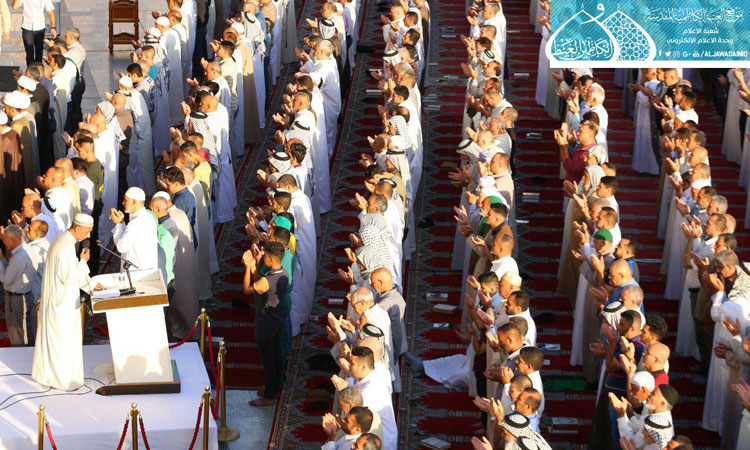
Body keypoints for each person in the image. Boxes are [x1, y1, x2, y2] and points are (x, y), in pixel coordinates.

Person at [32, 214, 100, 391]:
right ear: (77, 228)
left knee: (63, 341)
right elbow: (69, 277)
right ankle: (62, 381)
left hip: (62, 300)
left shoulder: (63, 240)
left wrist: (91, 285)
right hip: (61, 304)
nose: (88, 236)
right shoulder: (65, 247)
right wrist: (83, 262)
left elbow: (71, 271)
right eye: (87, 232)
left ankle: (59, 378)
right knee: (62, 342)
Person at [243, 241, 289, 406]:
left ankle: (269, 396)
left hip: (265, 323)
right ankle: (275, 386)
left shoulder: (268, 279)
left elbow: (248, 289)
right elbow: (261, 284)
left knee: (268, 360)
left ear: (270, 259)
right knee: (277, 355)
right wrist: (254, 267)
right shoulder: (283, 273)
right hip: (277, 319)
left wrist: (247, 267)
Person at [0, 224, 37, 346]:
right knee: (28, 333)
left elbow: (6, 280)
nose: (3, 242)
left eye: (5, 239)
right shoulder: (29, 249)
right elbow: (11, 270)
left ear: (12, 240)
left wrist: (0, 261)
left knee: (18, 337)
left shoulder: (18, 258)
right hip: (26, 295)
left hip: (16, 300)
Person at [110, 187, 158, 271]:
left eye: (125, 200)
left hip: (136, 272)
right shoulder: (148, 216)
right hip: (146, 268)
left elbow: (121, 246)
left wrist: (118, 224)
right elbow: (129, 236)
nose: (123, 203)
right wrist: (121, 223)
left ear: (134, 202)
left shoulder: (135, 222)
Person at [12, 0, 57, 65]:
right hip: (27, 27)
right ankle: (30, 70)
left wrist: (53, 27)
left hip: (40, 28)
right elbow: (15, 7)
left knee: (39, 53)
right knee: (29, 54)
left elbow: (51, 12)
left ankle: (39, 69)